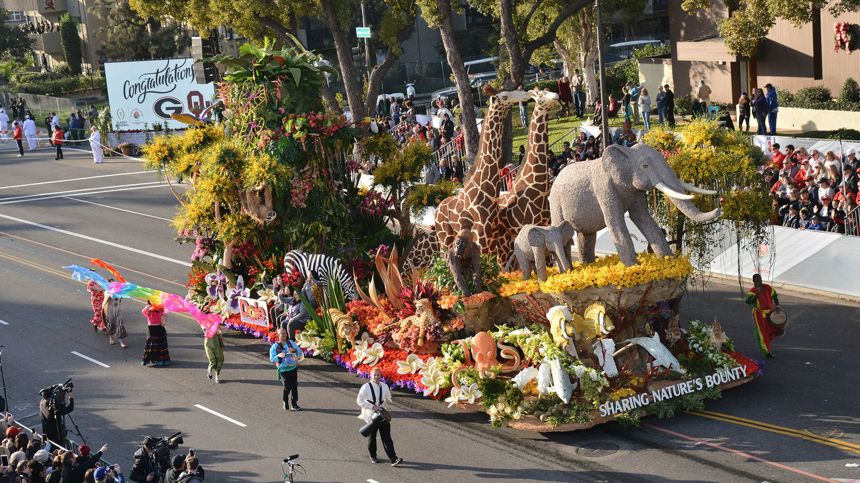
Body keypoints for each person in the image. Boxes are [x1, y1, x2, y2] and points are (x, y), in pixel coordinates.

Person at [357, 367, 403, 467]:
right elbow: (359, 401)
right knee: (372, 438)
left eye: (378, 375)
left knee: (387, 438)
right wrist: (372, 406)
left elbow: (388, 397)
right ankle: (373, 456)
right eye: (375, 375)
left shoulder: (385, 386)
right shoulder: (365, 387)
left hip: (382, 415)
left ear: (381, 376)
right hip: (371, 417)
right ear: (371, 375)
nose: (377, 377)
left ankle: (393, 458)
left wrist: (389, 401)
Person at [744, 274, 780, 359]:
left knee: (772, 329)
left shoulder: (767, 287)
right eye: (756, 280)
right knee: (762, 333)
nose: (758, 281)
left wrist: (778, 306)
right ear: (753, 281)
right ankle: (766, 352)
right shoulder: (752, 291)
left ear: (761, 279)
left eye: (759, 279)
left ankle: (766, 344)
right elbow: (748, 302)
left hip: (770, 313)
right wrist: (756, 295)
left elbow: (774, 296)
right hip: (759, 314)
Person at [270, 327, 303, 411]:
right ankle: (285, 400)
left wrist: (294, 350)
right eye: (283, 334)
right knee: (287, 387)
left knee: (294, 386)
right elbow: (272, 359)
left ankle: (294, 403)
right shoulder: (275, 347)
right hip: (284, 370)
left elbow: (300, 353)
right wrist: (278, 356)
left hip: (293, 368)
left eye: (285, 333)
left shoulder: (291, 342)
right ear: (278, 335)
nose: (285, 335)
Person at [141, 302, 170, 367]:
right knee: (152, 345)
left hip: (159, 328)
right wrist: (153, 307)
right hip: (151, 329)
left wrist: (164, 322)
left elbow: (165, 315)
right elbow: (145, 311)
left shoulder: (160, 308)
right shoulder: (148, 308)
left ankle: (160, 361)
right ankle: (153, 360)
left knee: (160, 346)